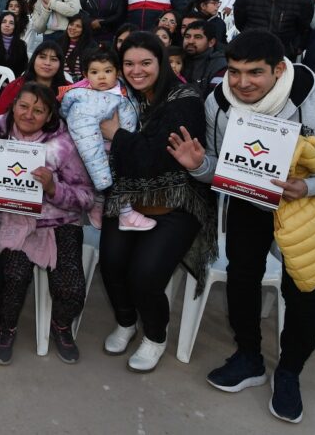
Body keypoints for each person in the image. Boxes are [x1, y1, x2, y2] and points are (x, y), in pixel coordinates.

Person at [168, 30, 315, 424]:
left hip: (312, 206)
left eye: (255, 73)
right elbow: (221, 169)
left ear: (280, 70)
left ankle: (290, 372)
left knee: (302, 287)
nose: (242, 83)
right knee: (242, 276)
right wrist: (198, 166)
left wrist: (312, 186)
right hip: (252, 198)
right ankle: (248, 357)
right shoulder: (218, 103)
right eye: (234, 71)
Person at [98, 31, 216, 373]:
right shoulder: (124, 98)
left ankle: (154, 336)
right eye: (129, 64)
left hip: (177, 200)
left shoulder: (185, 100)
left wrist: (117, 136)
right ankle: (125, 322)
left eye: (146, 63)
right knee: (112, 261)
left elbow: (155, 160)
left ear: (161, 63)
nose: (137, 71)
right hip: (129, 198)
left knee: (145, 275)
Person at [0, 82, 95, 365]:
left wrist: (52, 188)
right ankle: (6, 328)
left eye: (39, 110)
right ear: (13, 106)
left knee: (70, 286)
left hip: (58, 222)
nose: (28, 114)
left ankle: (61, 325)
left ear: (50, 116)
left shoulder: (63, 144)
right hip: (11, 217)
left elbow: (86, 197)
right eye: (23, 106)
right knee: (13, 275)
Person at [58, 46, 155, 232]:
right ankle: (126, 215)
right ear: (86, 75)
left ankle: (98, 203)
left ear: (117, 72)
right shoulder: (84, 103)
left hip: (123, 145)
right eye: (95, 72)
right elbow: (89, 147)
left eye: (107, 71)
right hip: (102, 156)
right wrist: (104, 180)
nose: (101, 77)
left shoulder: (121, 89)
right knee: (117, 178)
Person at [0, 41, 69, 115]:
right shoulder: (16, 86)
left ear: (60, 64)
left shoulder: (69, 90)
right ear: (34, 60)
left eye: (53, 59)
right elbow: (1, 117)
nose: (47, 63)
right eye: (42, 57)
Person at [181, 20, 227, 98]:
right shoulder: (176, 60)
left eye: (198, 37)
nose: (190, 41)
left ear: (211, 42)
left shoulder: (219, 65)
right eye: (187, 36)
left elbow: (216, 99)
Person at [54, 14, 95, 81]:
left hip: (82, 83)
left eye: (78, 26)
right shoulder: (58, 42)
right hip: (60, 80)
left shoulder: (91, 46)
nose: (73, 28)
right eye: (71, 24)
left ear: (84, 29)